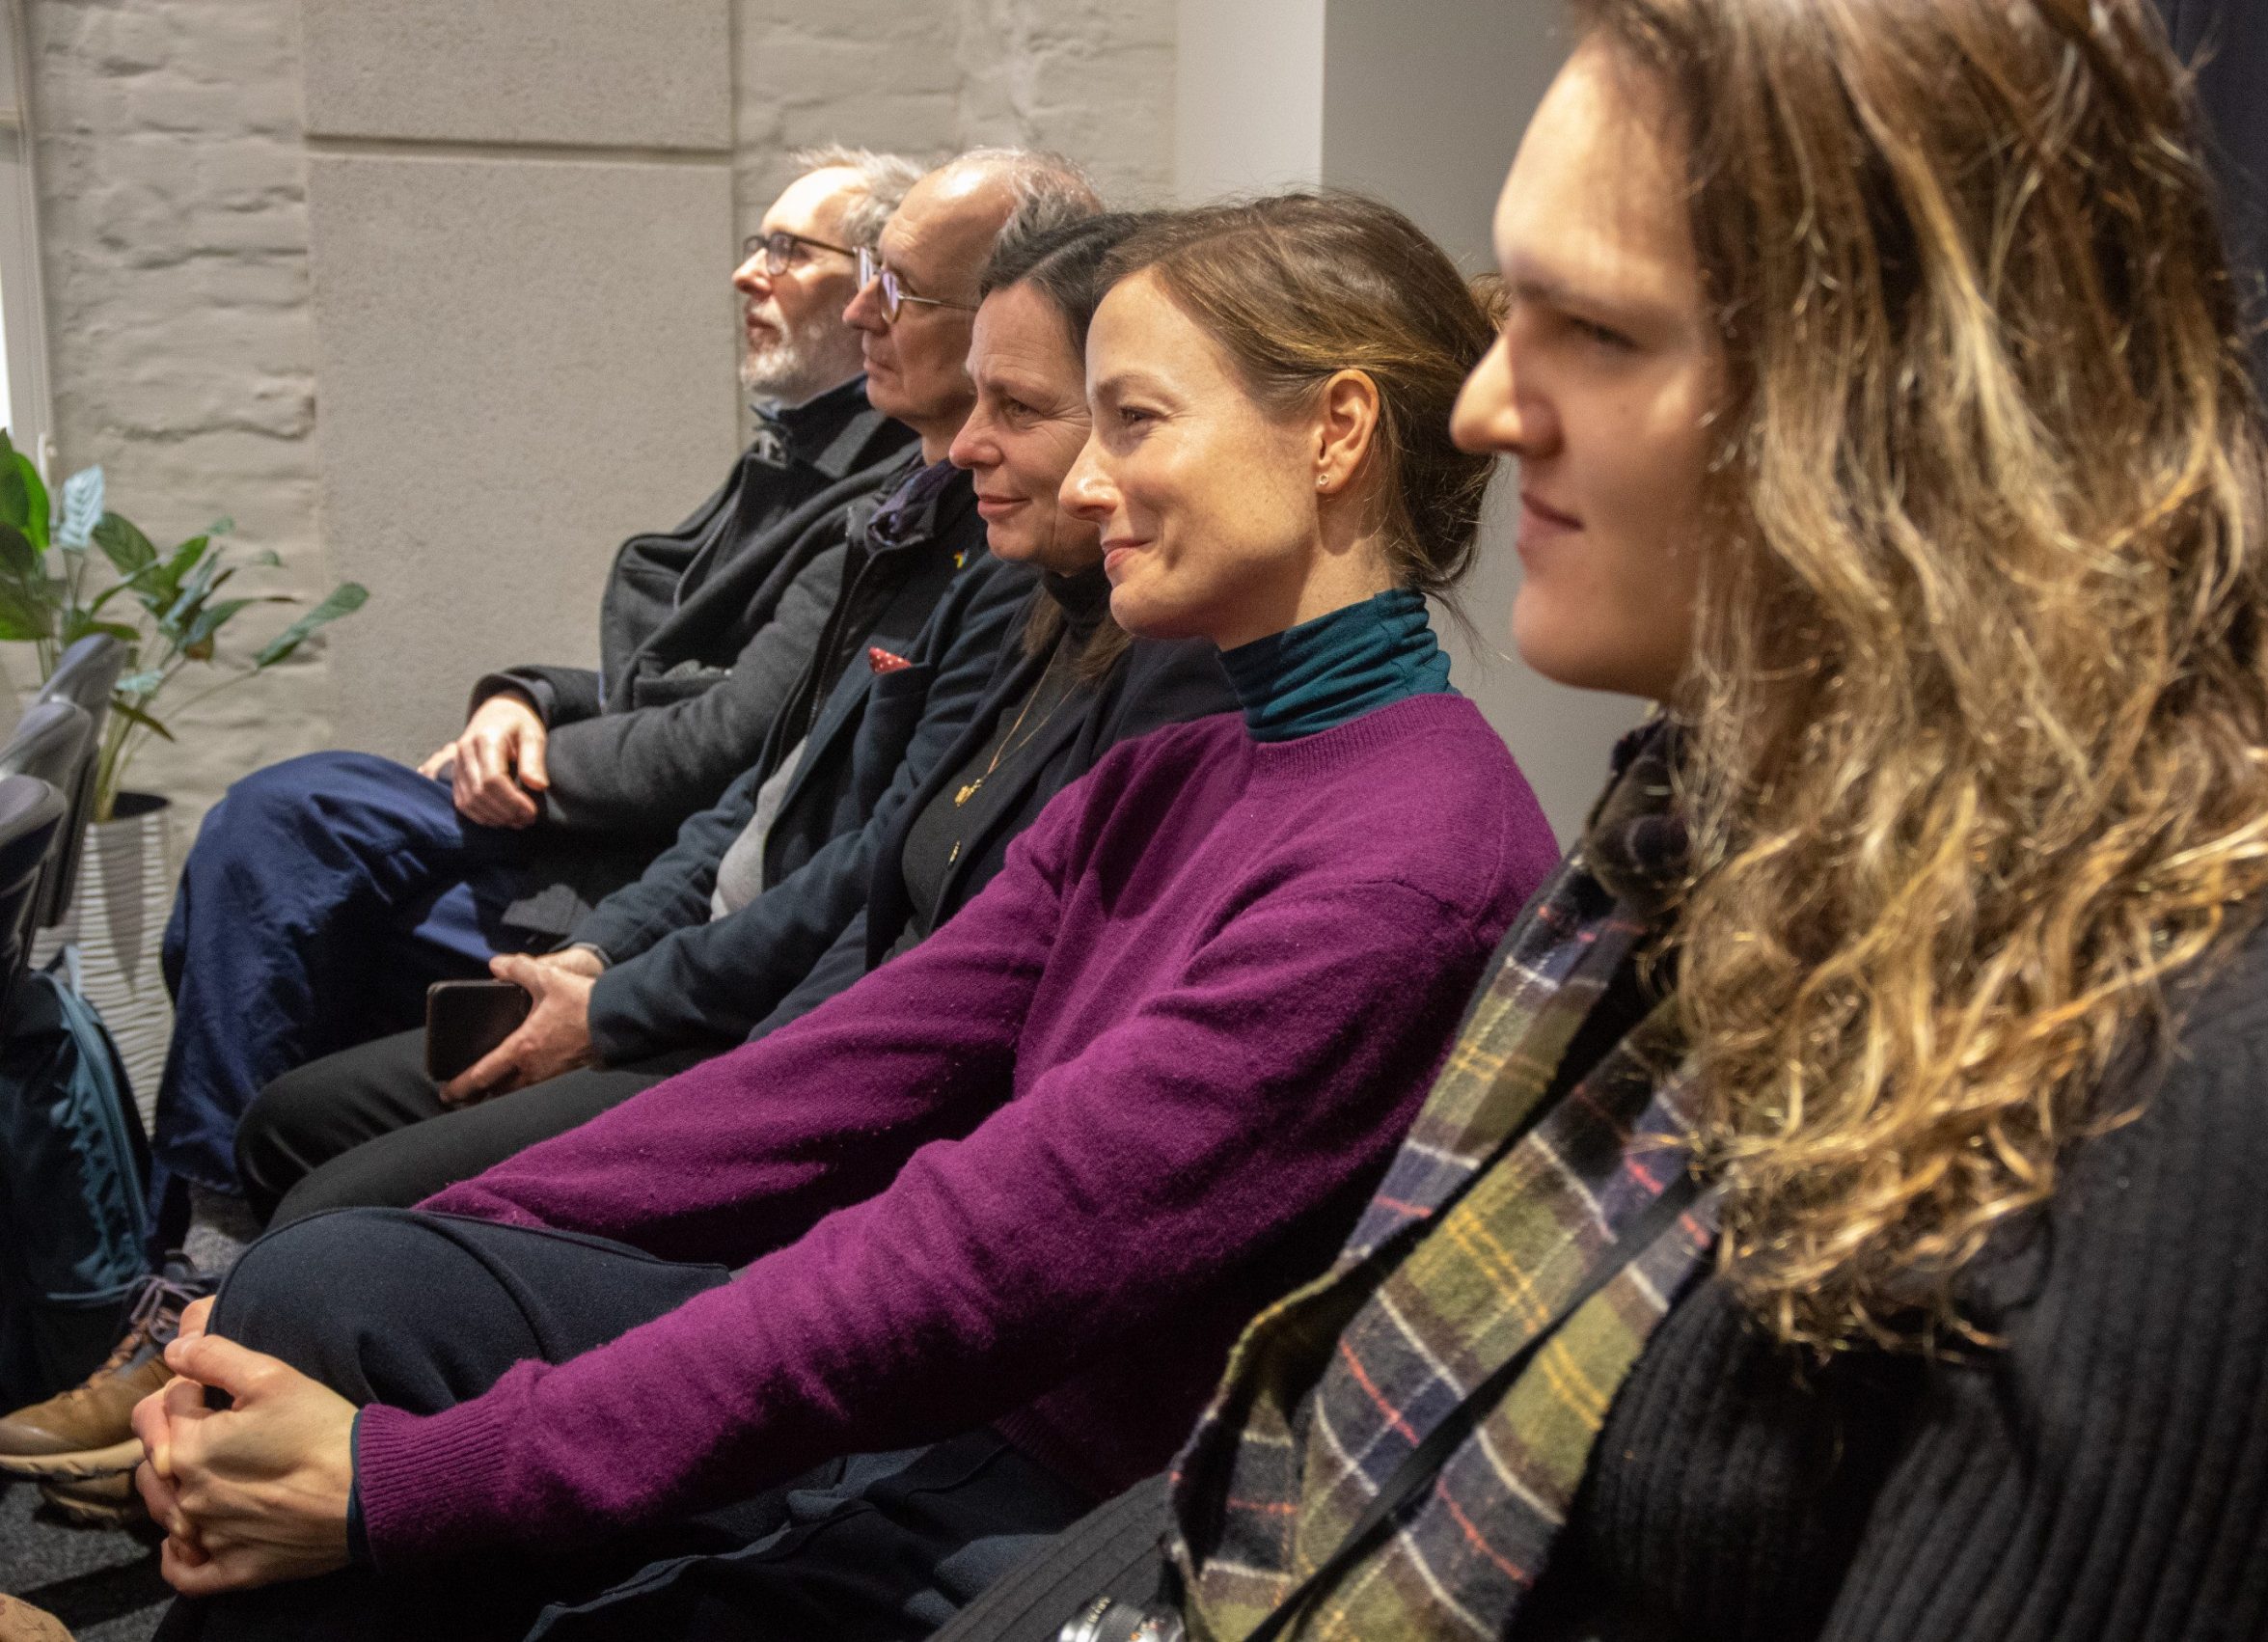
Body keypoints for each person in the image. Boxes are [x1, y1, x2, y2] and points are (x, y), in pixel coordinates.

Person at [933, 5, 2268, 1641]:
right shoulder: (1703, 841)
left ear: (1918, 393)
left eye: (1594, 330)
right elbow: (1327, 1453)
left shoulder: (2247, 1087)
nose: (1484, 409)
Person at [131, 191, 1559, 1642]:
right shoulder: (1177, 773)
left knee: (373, 1438)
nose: (1082, 483)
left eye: (1131, 422)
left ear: (1335, 432)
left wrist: (415, 1480)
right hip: (962, 1416)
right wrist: (452, 1229)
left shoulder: (1406, 866)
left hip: (1079, 1521)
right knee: (331, 1284)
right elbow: (823, 1081)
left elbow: (978, 1259)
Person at [0, 147, 1082, 1510]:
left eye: (863, 275)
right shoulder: (878, 492)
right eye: (852, 271)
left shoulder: (966, 538)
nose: (774, 281)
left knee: (302, 850)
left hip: (714, 976)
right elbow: (754, 770)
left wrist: (614, 980)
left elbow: (756, 783)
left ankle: (209, 1374)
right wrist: (531, 708)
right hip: (678, 923)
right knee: (291, 1036)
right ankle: (196, 1329)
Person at [232, 208, 1236, 1224]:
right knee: (300, 1048)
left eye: (886, 284)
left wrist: (660, 1033)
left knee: (329, 1166)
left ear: (1313, 437)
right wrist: (597, 922)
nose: (859, 311)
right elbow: (785, 794)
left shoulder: (1127, 644)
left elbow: (773, 798)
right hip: (740, 1000)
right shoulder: (971, 557)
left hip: (780, 1047)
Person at [145, 148, 924, 1215]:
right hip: (617, 828)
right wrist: (529, 697)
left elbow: (728, 740)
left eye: (789, 251)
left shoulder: (885, 493)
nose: (749, 273)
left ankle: (204, 1221)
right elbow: (670, 678)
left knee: (292, 824)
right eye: (759, 243)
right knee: (277, 850)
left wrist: (534, 762)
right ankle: (201, 1225)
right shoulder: (800, 451)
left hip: (640, 856)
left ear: (882, 291)